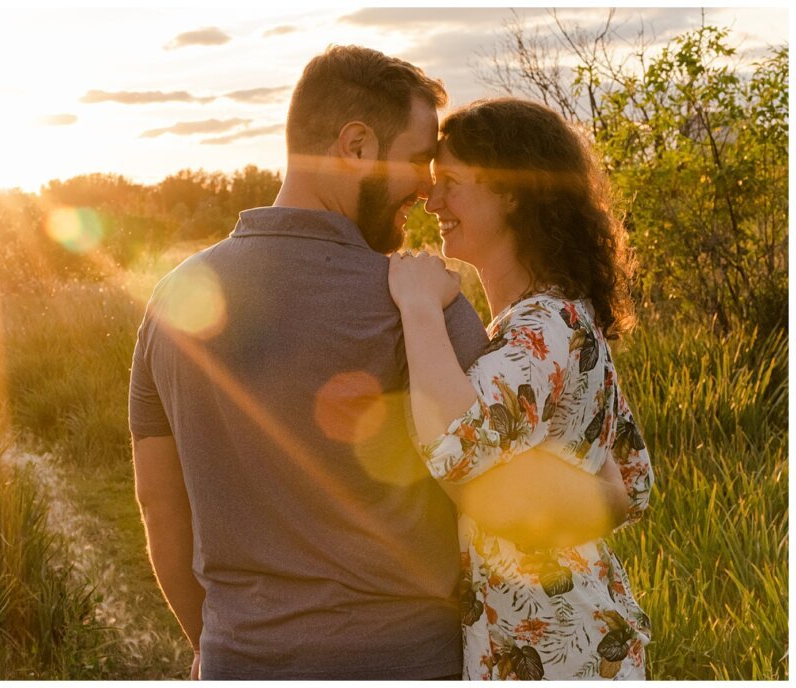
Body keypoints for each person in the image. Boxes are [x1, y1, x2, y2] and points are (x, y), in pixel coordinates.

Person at [129, 47, 629, 680]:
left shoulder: (172, 302)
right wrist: (613, 493)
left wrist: (221, 642)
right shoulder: (419, 304)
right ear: (357, 146)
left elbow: (157, 503)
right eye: (419, 160)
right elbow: (497, 483)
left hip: (241, 659)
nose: (426, 189)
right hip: (407, 661)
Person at [388, 97, 654, 680]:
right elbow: (633, 480)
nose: (432, 203)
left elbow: (456, 448)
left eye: (450, 183)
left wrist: (416, 304)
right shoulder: (561, 318)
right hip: (572, 634)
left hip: (560, 650)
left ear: (512, 192)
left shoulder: (542, 327)